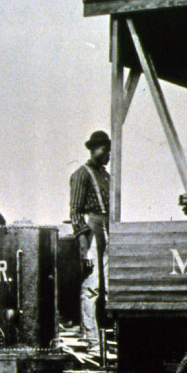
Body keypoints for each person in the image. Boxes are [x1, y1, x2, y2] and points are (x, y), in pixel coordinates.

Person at [69, 130, 111, 349]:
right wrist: (84, 247)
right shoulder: (81, 174)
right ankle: (90, 337)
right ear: (93, 149)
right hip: (92, 231)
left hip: (107, 229)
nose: (108, 155)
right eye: (104, 150)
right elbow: (75, 213)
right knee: (91, 287)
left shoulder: (106, 177)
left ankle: (105, 337)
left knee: (107, 286)